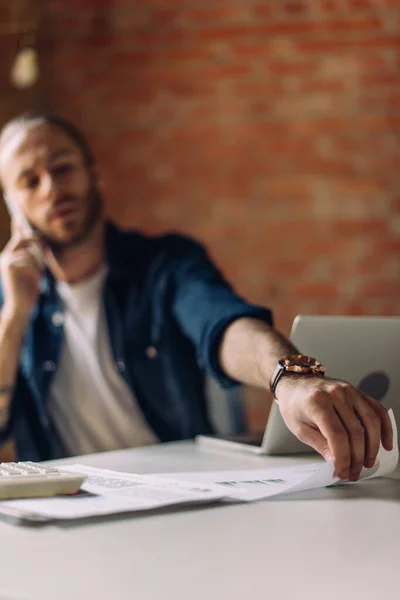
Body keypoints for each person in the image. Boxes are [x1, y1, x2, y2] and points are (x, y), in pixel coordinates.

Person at [0, 112, 392, 481]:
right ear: (12, 204)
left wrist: (289, 379)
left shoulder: (166, 264)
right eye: (29, 181)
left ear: (93, 174)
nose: (52, 188)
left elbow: (222, 325)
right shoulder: (9, 301)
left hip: (181, 495)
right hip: (68, 511)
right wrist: (15, 317)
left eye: (63, 167)